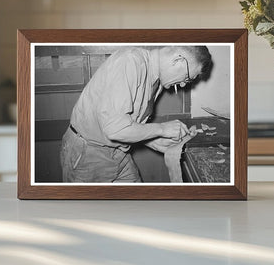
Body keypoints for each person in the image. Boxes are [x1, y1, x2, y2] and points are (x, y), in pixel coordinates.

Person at [60, 45, 213, 183]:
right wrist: (162, 129)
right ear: (178, 60)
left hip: (119, 152)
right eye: (187, 78)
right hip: (89, 154)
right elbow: (115, 129)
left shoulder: (156, 78)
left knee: (137, 204)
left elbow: (128, 124)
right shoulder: (129, 62)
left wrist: (153, 141)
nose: (183, 84)